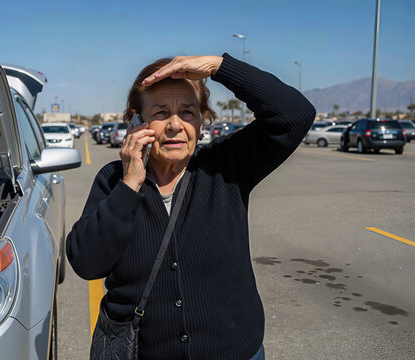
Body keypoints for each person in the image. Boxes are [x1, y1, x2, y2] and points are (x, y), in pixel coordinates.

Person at [66, 53, 315, 359]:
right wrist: (130, 184)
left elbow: (295, 114)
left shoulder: (225, 167)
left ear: (200, 121)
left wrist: (217, 66)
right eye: (160, 112)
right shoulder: (114, 181)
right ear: (136, 122)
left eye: (187, 111)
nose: (175, 125)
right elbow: (86, 263)